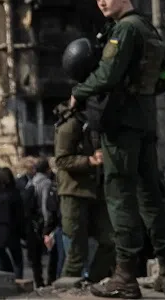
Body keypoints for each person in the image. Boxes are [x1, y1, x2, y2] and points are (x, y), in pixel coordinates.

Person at [69, 0, 165, 299]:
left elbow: (107, 74)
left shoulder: (125, 30)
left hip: (121, 125)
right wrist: (142, 93)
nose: (102, 2)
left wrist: (78, 92)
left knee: (119, 194)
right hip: (145, 122)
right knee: (151, 196)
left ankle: (125, 277)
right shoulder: (149, 29)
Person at [52, 96, 115, 283]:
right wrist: (89, 161)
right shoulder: (71, 125)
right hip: (74, 193)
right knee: (76, 253)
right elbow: (61, 159)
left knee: (110, 241)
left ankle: (94, 282)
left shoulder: (95, 125)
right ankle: (66, 290)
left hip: (95, 191)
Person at [23, 157, 60, 287]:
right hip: (41, 224)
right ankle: (50, 280)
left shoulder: (31, 182)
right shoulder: (46, 183)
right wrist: (47, 226)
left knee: (36, 257)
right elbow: (46, 206)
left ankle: (38, 282)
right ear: (47, 169)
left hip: (32, 224)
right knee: (52, 253)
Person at [0, 167, 25, 279]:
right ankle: (18, 282)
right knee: (17, 260)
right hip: (11, 231)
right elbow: (20, 216)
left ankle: (8, 280)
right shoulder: (14, 193)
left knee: (2, 261)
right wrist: (23, 234)